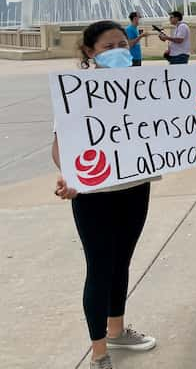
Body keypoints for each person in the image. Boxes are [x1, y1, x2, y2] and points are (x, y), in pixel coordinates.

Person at [52, 21, 156, 369]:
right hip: (94, 192)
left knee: (122, 261)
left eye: (122, 44)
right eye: (108, 47)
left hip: (135, 186)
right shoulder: (76, 93)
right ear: (89, 52)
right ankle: (99, 352)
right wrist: (69, 177)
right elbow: (60, 147)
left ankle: (117, 328)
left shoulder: (143, 87)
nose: (117, 51)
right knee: (99, 267)